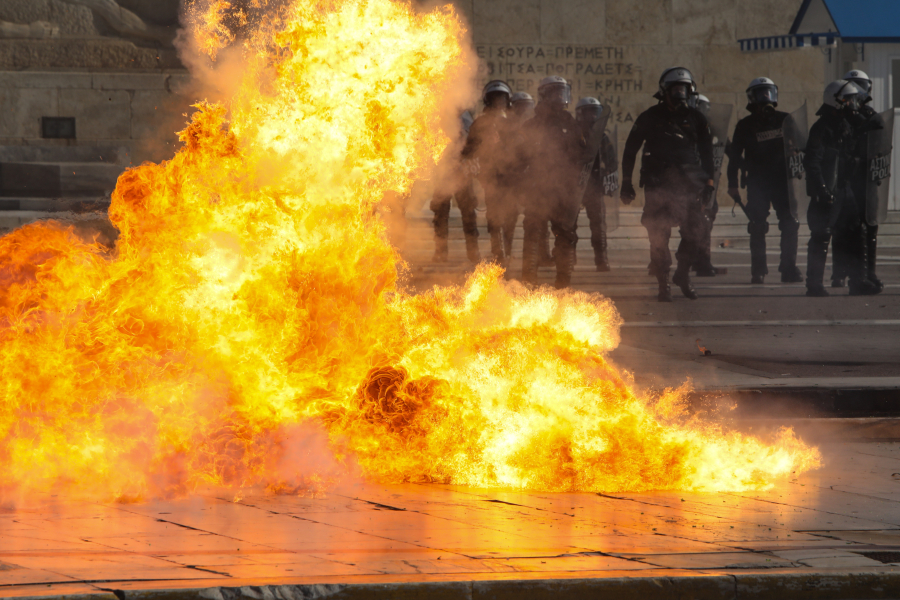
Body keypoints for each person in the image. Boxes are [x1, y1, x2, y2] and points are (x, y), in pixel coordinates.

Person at [621, 67, 715, 302]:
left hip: (689, 185)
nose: (680, 94)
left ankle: (682, 274)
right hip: (658, 184)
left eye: (684, 89)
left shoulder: (697, 118)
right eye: (675, 89)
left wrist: (709, 183)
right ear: (665, 91)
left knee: (697, 231)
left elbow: (708, 153)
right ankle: (663, 283)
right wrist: (626, 182)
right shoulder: (649, 117)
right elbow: (630, 150)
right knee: (658, 234)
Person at [803, 80, 881, 297]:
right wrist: (822, 189)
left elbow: (849, 154)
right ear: (836, 101)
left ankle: (858, 281)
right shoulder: (821, 128)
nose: (853, 104)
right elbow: (812, 161)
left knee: (857, 231)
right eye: (849, 100)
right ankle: (814, 284)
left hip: (844, 188)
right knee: (822, 234)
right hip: (827, 190)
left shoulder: (846, 125)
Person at [726, 78, 803, 284]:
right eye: (760, 95)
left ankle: (788, 268)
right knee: (757, 226)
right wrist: (732, 184)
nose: (765, 100)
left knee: (789, 224)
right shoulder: (744, 125)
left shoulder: (786, 120)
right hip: (758, 182)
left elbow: (802, 148)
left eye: (768, 93)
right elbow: (734, 157)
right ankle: (758, 271)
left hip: (783, 182)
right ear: (752, 99)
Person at [518, 75, 583, 288]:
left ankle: (563, 281)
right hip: (538, 189)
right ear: (544, 96)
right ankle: (529, 279)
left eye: (561, 92)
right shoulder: (531, 126)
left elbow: (580, 157)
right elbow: (519, 159)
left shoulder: (571, 124)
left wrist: (577, 187)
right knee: (533, 233)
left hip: (563, 189)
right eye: (554, 92)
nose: (559, 97)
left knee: (565, 234)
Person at [832, 69, 885, 291]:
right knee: (841, 226)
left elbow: (880, 138)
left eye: (860, 86)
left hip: (865, 177)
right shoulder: (838, 116)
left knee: (869, 225)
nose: (856, 92)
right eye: (852, 86)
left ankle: (867, 272)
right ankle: (839, 273)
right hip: (844, 177)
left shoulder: (871, 116)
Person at [461, 80, 517, 265]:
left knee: (510, 214)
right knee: (494, 214)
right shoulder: (480, 124)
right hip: (490, 175)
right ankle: (497, 251)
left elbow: (522, 149)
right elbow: (468, 150)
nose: (498, 102)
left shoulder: (511, 123)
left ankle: (506, 250)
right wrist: (472, 165)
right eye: (494, 99)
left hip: (510, 175)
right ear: (488, 101)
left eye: (501, 99)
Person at [430, 111, 480, 263]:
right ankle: (441, 252)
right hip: (444, 172)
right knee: (440, 213)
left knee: (469, 213)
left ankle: (473, 251)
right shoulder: (440, 119)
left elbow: (475, 144)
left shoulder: (467, 119)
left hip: (462, 172)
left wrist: (468, 158)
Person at [575, 96, 617, 271]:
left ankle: (601, 259)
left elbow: (612, 161)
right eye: (589, 112)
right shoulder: (573, 136)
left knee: (599, 225)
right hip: (574, 186)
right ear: (581, 114)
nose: (593, 116)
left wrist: (609, 178)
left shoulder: (602, 138)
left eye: (595, 112)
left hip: (594, 186)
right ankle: (569, 258)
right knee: (569, 226)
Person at [689, 94, 720, 277]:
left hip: (706, 183)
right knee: (696, 223)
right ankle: (700, 261)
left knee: (705, 221)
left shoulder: (712, 131)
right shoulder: (686, 128)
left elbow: (726, 147)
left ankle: (700, 260)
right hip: (689, 182)